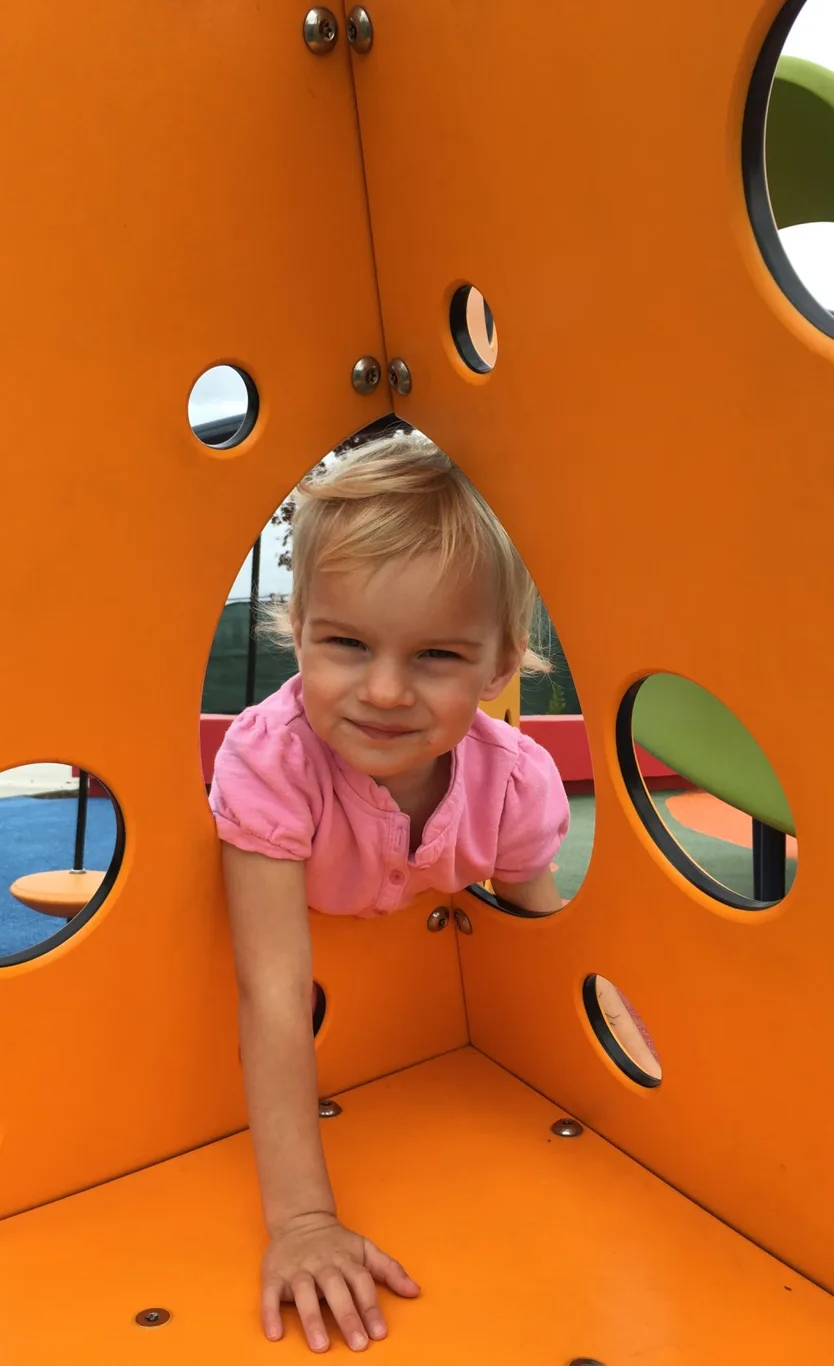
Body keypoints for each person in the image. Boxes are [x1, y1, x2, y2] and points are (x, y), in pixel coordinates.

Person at [209, 430, 570, 1353]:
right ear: (300, 630)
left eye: (437, 655)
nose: (382, 689)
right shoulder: (273, 760)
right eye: (346, 643)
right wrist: (302, 1222)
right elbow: (273, 989)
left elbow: (548, 947)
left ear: (499, 665)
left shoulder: (514, 782)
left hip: (415, 1059)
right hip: (251, 1026)